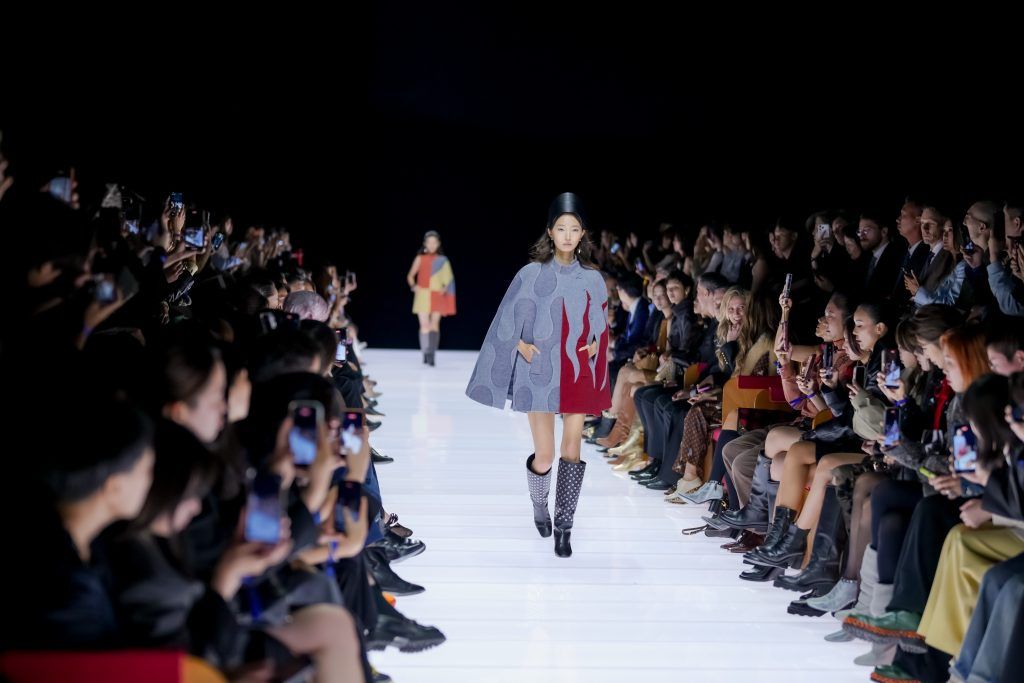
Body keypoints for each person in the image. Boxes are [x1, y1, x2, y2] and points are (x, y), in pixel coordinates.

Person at [465, 192, 611, 557]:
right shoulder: (530, 274)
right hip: (541, 369)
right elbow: (505, 321)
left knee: (572, 449)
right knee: (544, 455)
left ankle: (564, 527)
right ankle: (539, 502)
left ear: (583, 234)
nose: (567, 235)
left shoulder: (593, 279)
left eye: (574, 229)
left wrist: (595, 346)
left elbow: (601, 326)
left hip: (576, 369)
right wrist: (521, 346)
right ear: (550, 231)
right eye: (561, 228)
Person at [406, 230, 456, 366]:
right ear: (425, 244)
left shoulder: (443, 260)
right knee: (424, 325)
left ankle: (431, 354)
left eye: (434, 242)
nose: (432, 245)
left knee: (434, 324)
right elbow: (410, 275)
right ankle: (425, 351)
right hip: (422, 294)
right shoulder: (420, 258)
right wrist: (414, 286)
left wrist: (445, 287)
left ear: (438, 244)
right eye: (429, 242)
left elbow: (449, 279)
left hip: (438, 294)